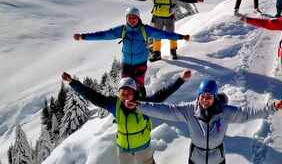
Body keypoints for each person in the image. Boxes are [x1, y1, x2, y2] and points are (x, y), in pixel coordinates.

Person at [127, 79, 282, 164]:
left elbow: (247, 113)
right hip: (195, 158)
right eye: (202, 96)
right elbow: (165, 110)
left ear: (215, 97)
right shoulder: (190, 110)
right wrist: (140, 106)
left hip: (218, 159)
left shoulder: (224, 112)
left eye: (208, 97)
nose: (204, 100)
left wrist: (271, 107)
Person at [61, 69, 192, 164]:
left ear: (135, 93)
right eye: (123, 92)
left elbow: (162, 94)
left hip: (143, 147)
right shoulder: (114, 104)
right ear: (119, 94)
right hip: (123, 149)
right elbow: (92, 95)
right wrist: (73, 82)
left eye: (129, 92)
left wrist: (181, 80)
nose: (126, 95)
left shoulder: (144, 104)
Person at [73, 7, 190, 96]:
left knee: (138, 85)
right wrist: (83, 36)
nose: (132, 20)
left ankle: (143, 105)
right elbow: (103, 35)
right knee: (124, 86)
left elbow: (164, 34)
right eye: (130, 18)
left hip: (140, 63)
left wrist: (180, 37)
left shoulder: (145, 29)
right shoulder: (122, 30)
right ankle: (123, 109)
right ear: (126, 19)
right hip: (127, 64)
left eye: (134, 18)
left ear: (138, 18)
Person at [120, 0, 203, 61]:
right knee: (156, 36)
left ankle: (173, 52)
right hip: (157, 18)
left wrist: (196, 0)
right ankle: (157, 54)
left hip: (169, 17)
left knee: (171, 35)